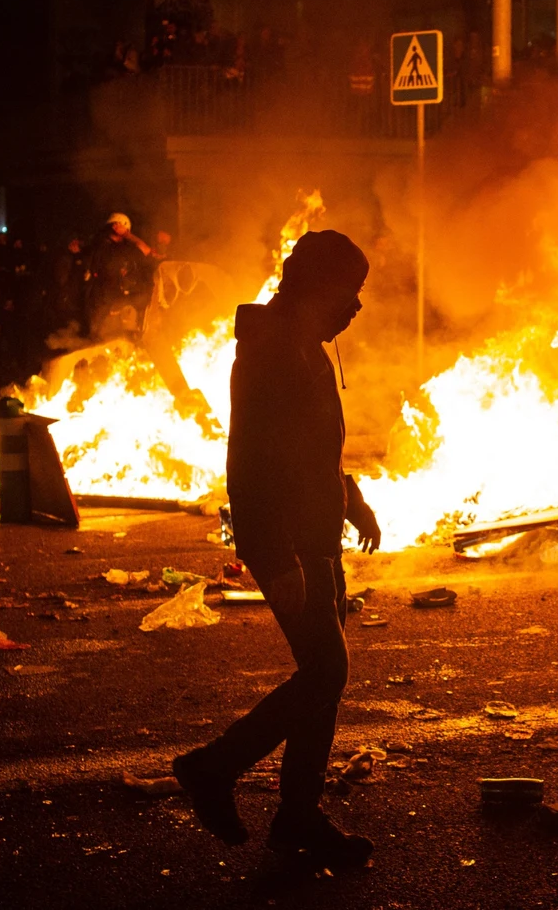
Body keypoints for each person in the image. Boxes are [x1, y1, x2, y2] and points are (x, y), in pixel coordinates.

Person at [172, 229, 381, 867]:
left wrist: (349, 494)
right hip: (288, 541)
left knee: (325, 682)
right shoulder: (271, 350)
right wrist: (277, 554)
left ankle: (297, 816)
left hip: (315, 535)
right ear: (317, 286)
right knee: (326, 671)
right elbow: (252, 465)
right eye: (350, 292)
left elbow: (308, 443)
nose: (356, 307)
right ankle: (215, 768)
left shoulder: (302, 346)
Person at [85, 213, 154, 341]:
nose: (117, 228)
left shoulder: (114, 247)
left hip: (111, 301)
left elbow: (146, 251)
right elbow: (145, 249)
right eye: (116, 226)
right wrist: (127, 234)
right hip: (104, 303)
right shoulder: (106, 247)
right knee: (96, 339)